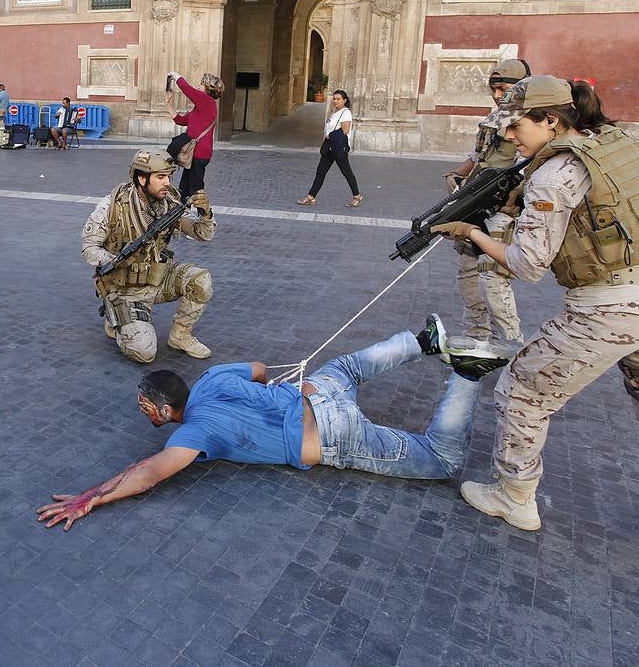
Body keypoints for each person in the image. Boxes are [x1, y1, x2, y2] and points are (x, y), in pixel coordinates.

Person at [433, 76, 639, 576]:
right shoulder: (611, 145)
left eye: (518, 124)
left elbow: (527, 265)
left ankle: (514, 495)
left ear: (551, 120)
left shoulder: (555, 173)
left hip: (610, 310)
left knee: (524, 388)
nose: (511, 135)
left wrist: (475, 234)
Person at [37, 316, 514, 531]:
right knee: (345, 369)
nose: (145, 415)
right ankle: (421, 339)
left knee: (439, 460)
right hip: (316, 392)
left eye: (146, 408)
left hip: (333, 437)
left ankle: (468, 375)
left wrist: (91, 497)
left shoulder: (192, 435)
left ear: (163, 408)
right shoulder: (210, 377)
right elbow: (262, 369)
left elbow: (147, 474)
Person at [81, 149, 215, 363]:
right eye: (160, 177)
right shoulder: (113, 206)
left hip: (158, 278)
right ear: (142, 178)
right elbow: (89, 248)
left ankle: (180, 335)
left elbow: (202, 234)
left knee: (201, 280)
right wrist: (118, 261)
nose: (167, 183)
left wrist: (206, 213)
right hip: (126, 289)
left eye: (169, 177)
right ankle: (116, 316)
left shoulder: (170, 202)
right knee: (145, 352)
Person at [441, 59, 529, 347]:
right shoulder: (493, 120)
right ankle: (478, 334)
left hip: (504, 209)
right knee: (466, 272)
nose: (497, 95)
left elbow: (530, 168)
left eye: (503, 89)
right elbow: (478, 157)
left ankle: (513, 342)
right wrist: (457, 174)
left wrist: (513, 198)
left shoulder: (531, 122)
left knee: (492, 277)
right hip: (477, 201)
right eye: (493, 89)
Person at [298, 89, 361, 208]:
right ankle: (311, 196)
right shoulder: (335, 112)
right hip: (329, 148)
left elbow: (345, 130)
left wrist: (329, 136)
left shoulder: (345, 113)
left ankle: (357, 196)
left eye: (338, 99)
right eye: (334, 99)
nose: (335, 101)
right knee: (320, 172)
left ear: (344, 100)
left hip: (338, 148)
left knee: (346, 172)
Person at [167, 72, 221, 197]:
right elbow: (180, 121)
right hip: (193, 154)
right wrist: (168, 103)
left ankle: (205, 215)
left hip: (199, 154)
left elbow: (187, 90)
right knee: (184, 189)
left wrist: (176, 75)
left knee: (196, 189)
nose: (198, 86)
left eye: (201, 84)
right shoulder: (200, 107)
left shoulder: (207, 102)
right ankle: (183, 213)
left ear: (208, 89)